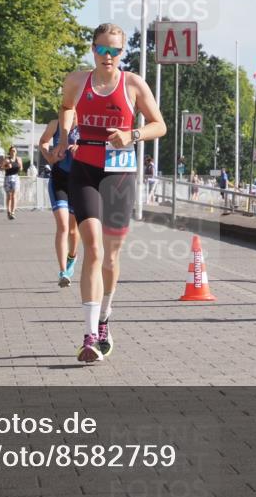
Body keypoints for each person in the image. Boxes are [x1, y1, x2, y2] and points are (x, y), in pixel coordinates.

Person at [56, 23, 166, 363]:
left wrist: (132, 135)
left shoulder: (133, 84)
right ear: (93, 50)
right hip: (85, 169)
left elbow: (159, 125)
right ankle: (88, 335)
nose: (108, 56)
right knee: (92, 247)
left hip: (119, 174)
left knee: (112, 256)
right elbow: (66, 107)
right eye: (102, 49)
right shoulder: (77, 81)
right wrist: (63, 137)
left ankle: (104, 318)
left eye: (115, 51)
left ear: (122, 53)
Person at [39, 117, 80, 287]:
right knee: (63, 226)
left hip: (78, 181)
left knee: (72, 230)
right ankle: (63, 272)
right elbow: (43, 142)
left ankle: (72, 256)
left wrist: (81, 149)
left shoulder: (85, 123)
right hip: (59, 180)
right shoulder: (55, 124)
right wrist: (49, 156)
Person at [0, 146, 21, 219]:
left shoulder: (18, 159)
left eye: (14, 151)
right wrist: (7, 167)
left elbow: (21, 168)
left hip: (15, 177)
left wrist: (18, 167)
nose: (13, 152)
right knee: (9, 196)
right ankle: (8, 211)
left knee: (14, 195)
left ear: (16, 152)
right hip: (8, 177)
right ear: (10, 152)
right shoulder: (7, 160)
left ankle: (13, 212)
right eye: (12, 151)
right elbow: (1, 168)